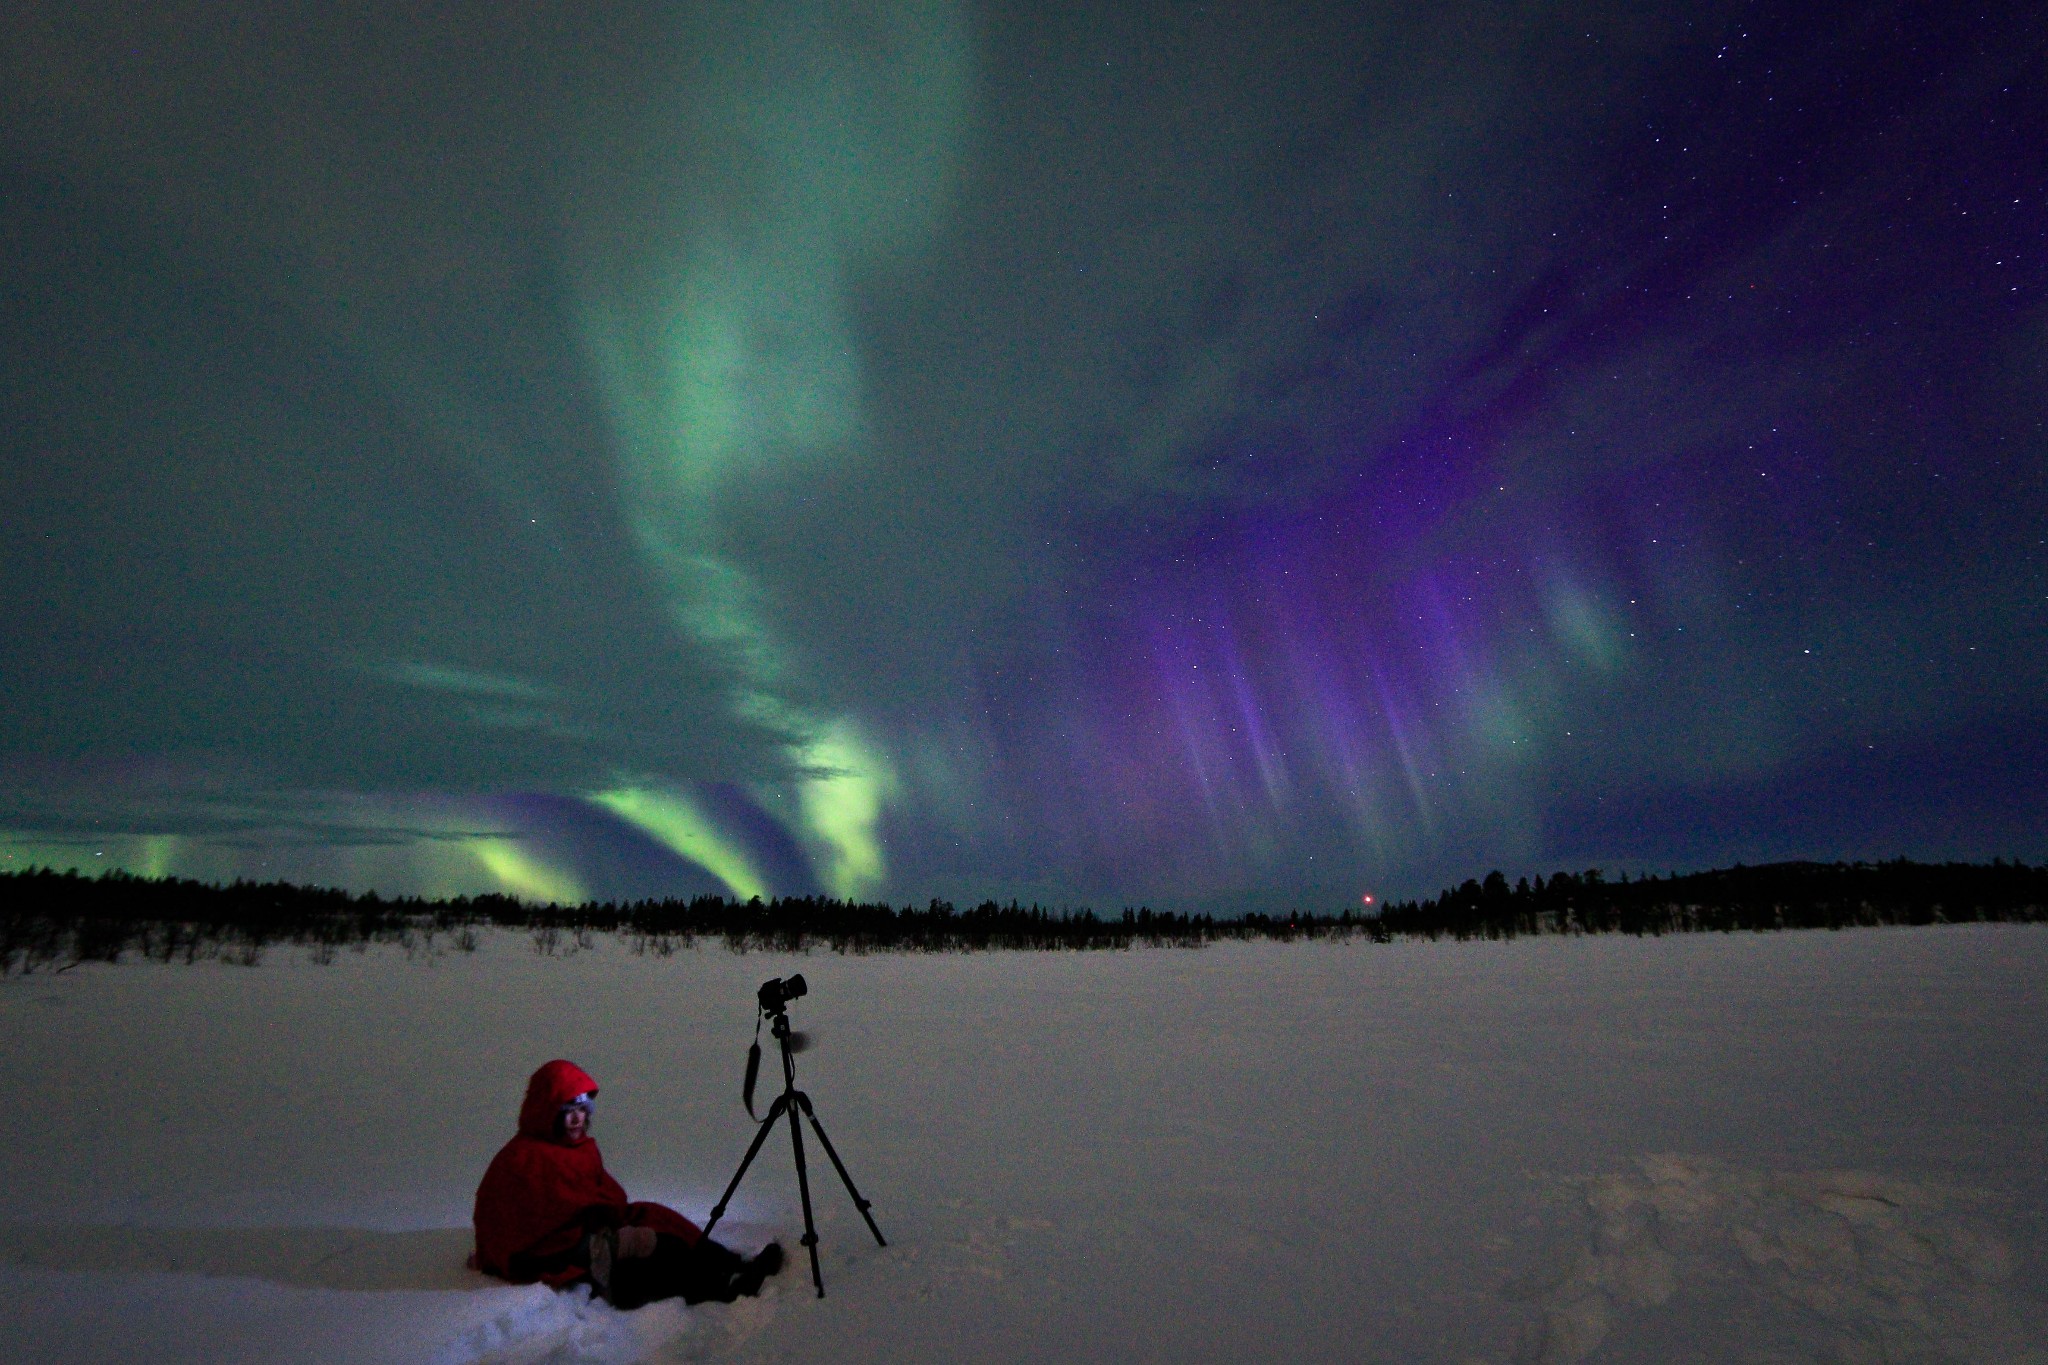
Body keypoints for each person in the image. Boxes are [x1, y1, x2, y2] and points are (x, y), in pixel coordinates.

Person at [472, 1059, 782, 1308]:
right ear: (548, 1112)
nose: (577, 1118)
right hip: (562, 1253)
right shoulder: (521, 1159)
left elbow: (601, 1196)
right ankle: (724, 1286)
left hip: (593, 1238)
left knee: (658, 1219)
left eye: (582, 1109)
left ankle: (729, 1262)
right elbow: (508, 1224)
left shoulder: (578, 1150)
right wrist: (590, 1233)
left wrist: (603, 1219)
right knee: (652, 1255)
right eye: (568, 1111)